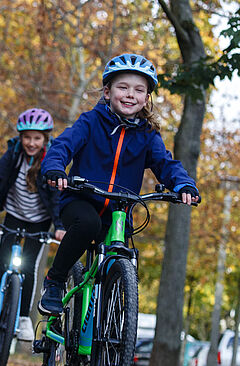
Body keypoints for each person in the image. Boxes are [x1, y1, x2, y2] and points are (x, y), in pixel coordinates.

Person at [39, 54, 200, 316]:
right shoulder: (90, 122)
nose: (130, 95)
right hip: (81, 200)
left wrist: (183, 184)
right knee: (87, 223)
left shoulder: (147, 135)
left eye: (138, 90)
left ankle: (110, 328)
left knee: (119, 257)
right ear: (107, 92)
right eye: (122, 87)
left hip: (118, 211)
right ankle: (55, 281)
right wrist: (56, 168)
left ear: (146, 98)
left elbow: (165, 164)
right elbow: (62, 145)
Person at [0, 108, 65, 342]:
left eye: (37, 138)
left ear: (45, 139)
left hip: (39, 221)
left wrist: (60, 226)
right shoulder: (12, 157)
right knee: (2, 263)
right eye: (27, 137)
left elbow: (57, 198)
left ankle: (23, 319)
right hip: (13, 215)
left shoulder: (50, 161)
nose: (31, 143)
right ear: (20, 138)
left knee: (29, 268)